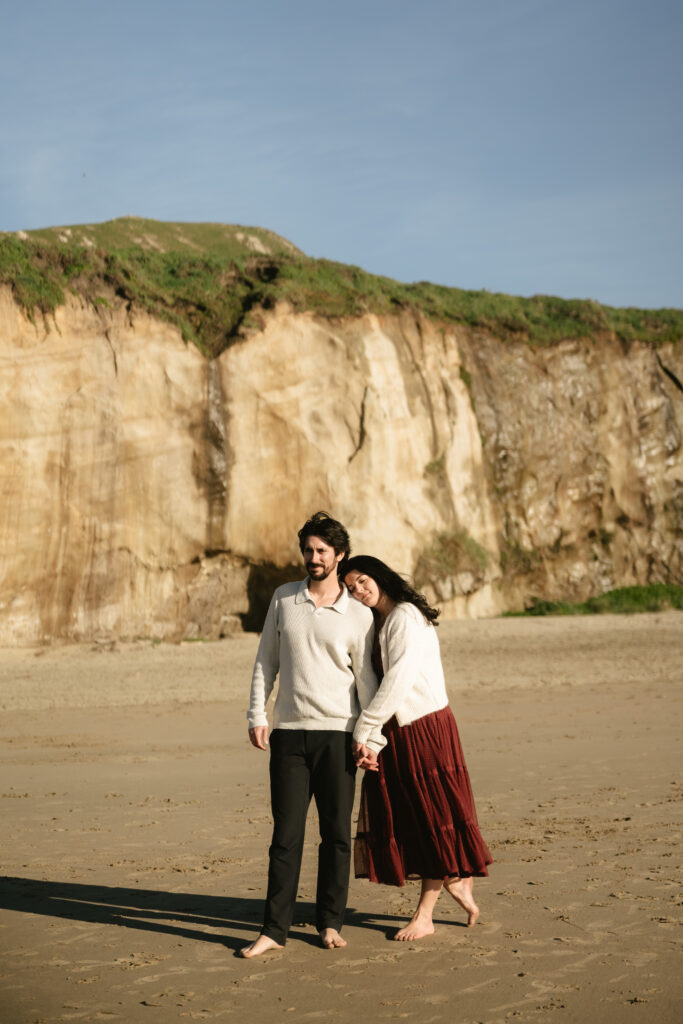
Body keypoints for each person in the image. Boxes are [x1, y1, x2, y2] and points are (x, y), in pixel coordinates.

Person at [240, 513, 380, 958]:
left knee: (337, 835)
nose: (313, 558)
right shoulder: (284, 599)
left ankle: (330, 923)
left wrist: (370, 738)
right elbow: (266, 662)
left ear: (339, 555)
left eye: (322, 551)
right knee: (286, 836)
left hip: (339, 737)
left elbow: (367, 683)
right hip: (289, 737)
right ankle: (273, 930)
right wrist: (256, 714)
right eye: (308, 550)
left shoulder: (358, 614)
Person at [342, 554, 493, 941]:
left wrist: (364, 729)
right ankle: (455, 879)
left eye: (362, 581)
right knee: (414, 815)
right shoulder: (382, 621)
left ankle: (425, 914)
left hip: (424, 728)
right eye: (351, 588)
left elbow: (398, 682)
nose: (358, 591)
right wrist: (374, 738)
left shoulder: (405, 616)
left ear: (379, 576)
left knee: (430, 816)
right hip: (402, 730)